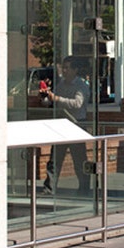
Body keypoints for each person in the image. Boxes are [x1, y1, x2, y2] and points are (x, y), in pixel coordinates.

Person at [44, 57, 91, 196]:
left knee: (79, 160)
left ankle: (84, 188)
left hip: (76, 124)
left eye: (67, 68)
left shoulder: (82, 86)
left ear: (75, 70)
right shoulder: (60, 85)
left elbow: (77, 103)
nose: (64, 71)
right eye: (63, 67)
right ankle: (49, 188)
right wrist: (46, 97)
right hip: (61, 125)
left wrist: (57, 98)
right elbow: (52, 103)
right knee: (55, 160)